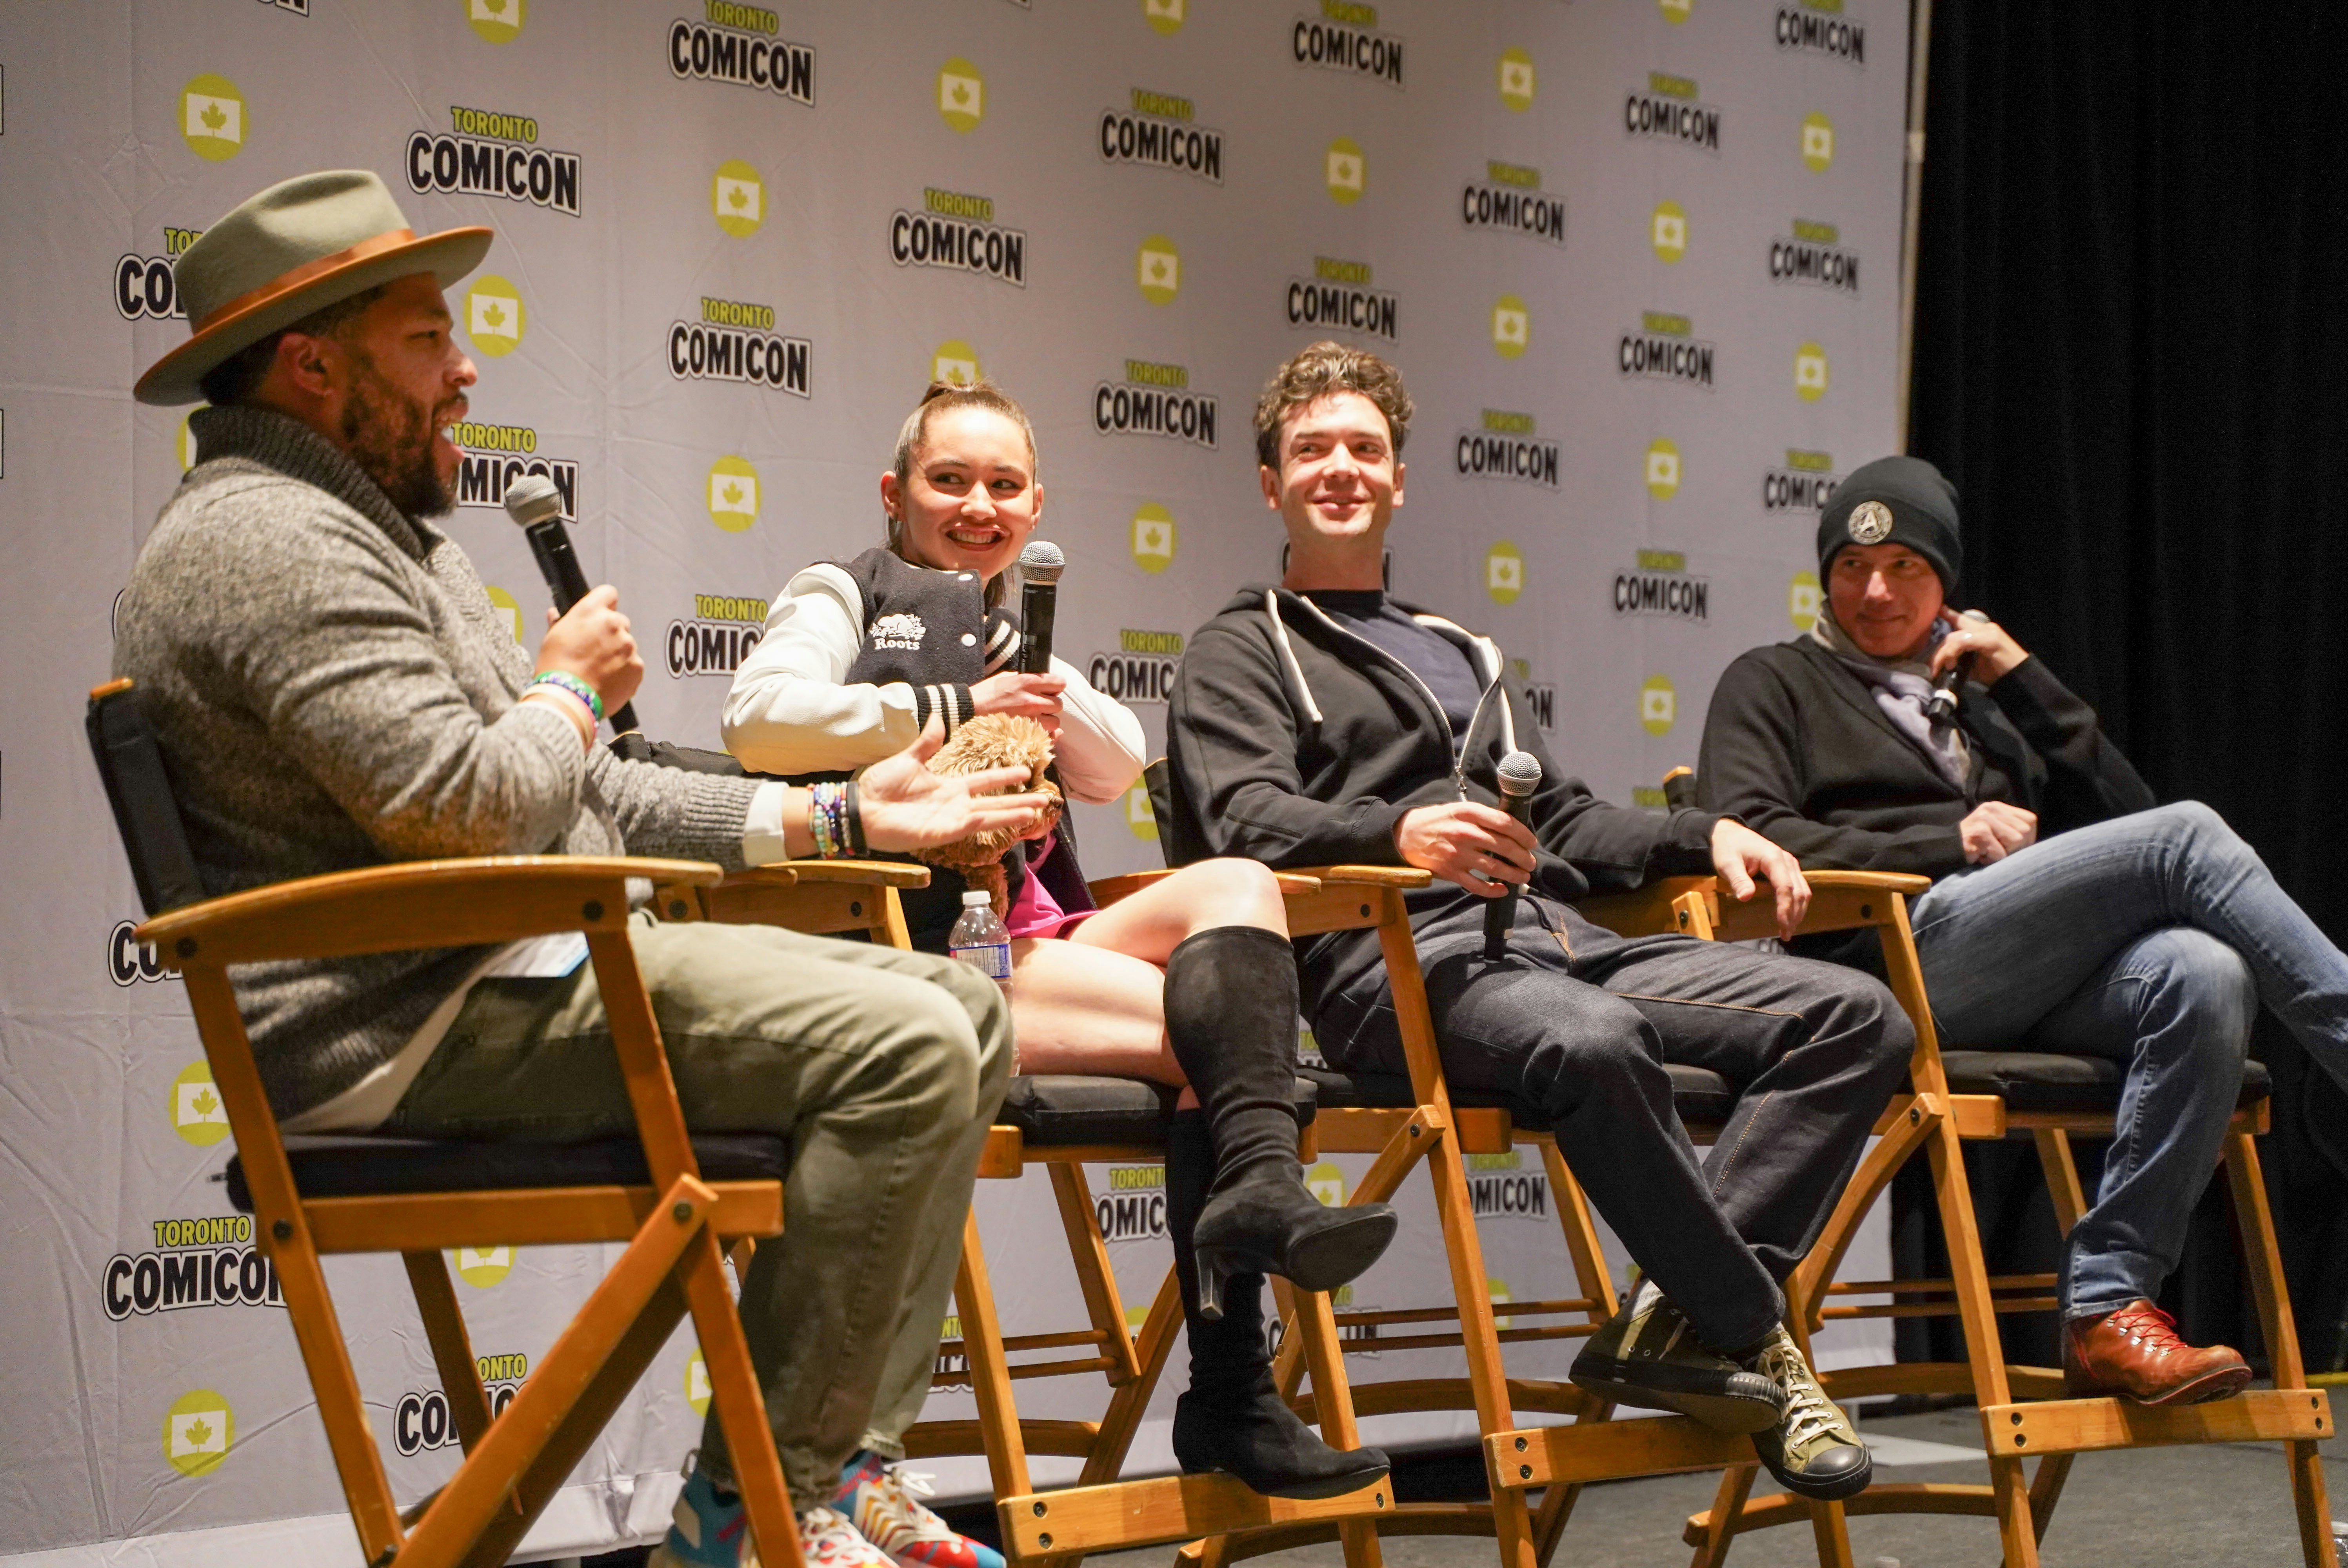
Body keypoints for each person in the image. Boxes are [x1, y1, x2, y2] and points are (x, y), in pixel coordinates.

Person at [117, 171, 1058, 1568]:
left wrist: (845, 818)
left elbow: (594, 789)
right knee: (910, 1042)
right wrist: (564, 688)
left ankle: (833, 1468)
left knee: (965, 1010)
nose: (466, 368)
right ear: (312, 367)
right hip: (400, 1021)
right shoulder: (265, 543)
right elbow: (469, 807)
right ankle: (754, 1508)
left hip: (503, 971)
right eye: (427, 338)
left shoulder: (368, 533)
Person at [1162, 342, 1919, 1503]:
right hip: (1399, 964)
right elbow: (1242, 819)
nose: (1341, 468)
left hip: (1565, 942)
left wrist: (1704, 832)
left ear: (1401, 477)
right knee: (1595, 1042)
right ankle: (1756, 1336)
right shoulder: (1242, 644)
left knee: (1860, 1018)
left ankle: (1675, 1317)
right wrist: (1399, 833)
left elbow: (1563, 816)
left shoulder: (1462, 649)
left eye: (1365, 447)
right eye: (1312, 450)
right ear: (1272, 483)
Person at [720, 378, 1399, 1501]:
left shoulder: (1010, 629)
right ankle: (1236, 1382)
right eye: (950, 481)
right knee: (1237, 1049)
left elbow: (1116, 763)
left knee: (1234, 885)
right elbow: (759, 722)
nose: (978, 506)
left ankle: (1258, 1206)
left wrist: (1030, 682)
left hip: (1034, 940)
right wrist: (953, 707)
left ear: (1036, 507)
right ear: (896, 492)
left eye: (1005, 485)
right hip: (918, 956)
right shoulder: (843, 590)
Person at [1699, 453, 2348, 1405]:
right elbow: (1748, 831)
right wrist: (1946, 839)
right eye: (1852, 566)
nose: (1875, 591)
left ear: (1947, 581)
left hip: (2017, 976)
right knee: (2189, 839)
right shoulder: (1774, 680)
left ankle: (2109, 1306)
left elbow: (2136, 821)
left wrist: (2026, 681)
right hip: (1883, 966)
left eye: (1905, 567)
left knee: (2206, 969)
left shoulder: (1984, 708)